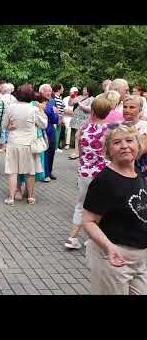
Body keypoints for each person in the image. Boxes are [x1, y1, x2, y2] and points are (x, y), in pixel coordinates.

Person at [83, 123, 147, 295]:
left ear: (138, 145)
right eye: (117, 142)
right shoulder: (105, 181)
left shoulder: (138, 174)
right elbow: (88, 222)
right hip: (113, 257)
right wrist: (109, 247)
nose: (125, 145)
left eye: (129, 140)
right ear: (108, 150)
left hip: (140, 258)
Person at [64, 95, 112, 250]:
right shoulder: (109, 130)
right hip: (102, 173)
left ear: (92, 110)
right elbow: (109, 153)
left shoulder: (84, 128)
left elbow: (79, 149)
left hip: (84, 171)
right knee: (100, 207)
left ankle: (72, 237)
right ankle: (96, 238)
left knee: (81, 205)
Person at [2, 84, 47, 205]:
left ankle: (11, 198)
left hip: (13, 142)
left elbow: (4, 125)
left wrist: (10, 127)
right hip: (28, 144)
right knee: (30, 171)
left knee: (12, 170)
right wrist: (42, 110)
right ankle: (30, 197)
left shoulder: (11, 108)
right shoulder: (34, 109)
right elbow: (44, 125)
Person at [39, 84, 59, 182]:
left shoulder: (52, 101)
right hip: (42, 130)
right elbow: (42, 113)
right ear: (41, 91)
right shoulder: (37, 101)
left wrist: (53, 112)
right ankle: (45, 173)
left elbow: (55, 119)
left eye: (50, 91)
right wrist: (52, 111)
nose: (49, 93)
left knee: (51, 151)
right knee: (45, 152)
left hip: (51, 130)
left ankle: (49, 172)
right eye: (46, 90)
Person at [69, 85, 95, 159]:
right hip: (77, 119)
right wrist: (72, 97)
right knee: (78, 135)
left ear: (89, 90)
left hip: (85, 119)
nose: (83, 90)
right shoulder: (79, 97)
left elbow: (90, 109)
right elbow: (70, 103)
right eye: (83, 89)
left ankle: (78, 152)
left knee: (79, 136)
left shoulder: (92, 99)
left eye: (85, 89)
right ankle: (77, 152)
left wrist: (80, 104)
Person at [51, 84, 65, 153]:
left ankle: (56, 147)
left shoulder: (58, 97)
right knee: (56, 132)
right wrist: (60, 118)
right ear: (58, 89)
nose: (63, 89)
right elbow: (58, 109)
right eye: (62, 88)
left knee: (58, 132)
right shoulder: (56, 98)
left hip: (59, 117)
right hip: (58, 117)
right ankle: (55, 148)